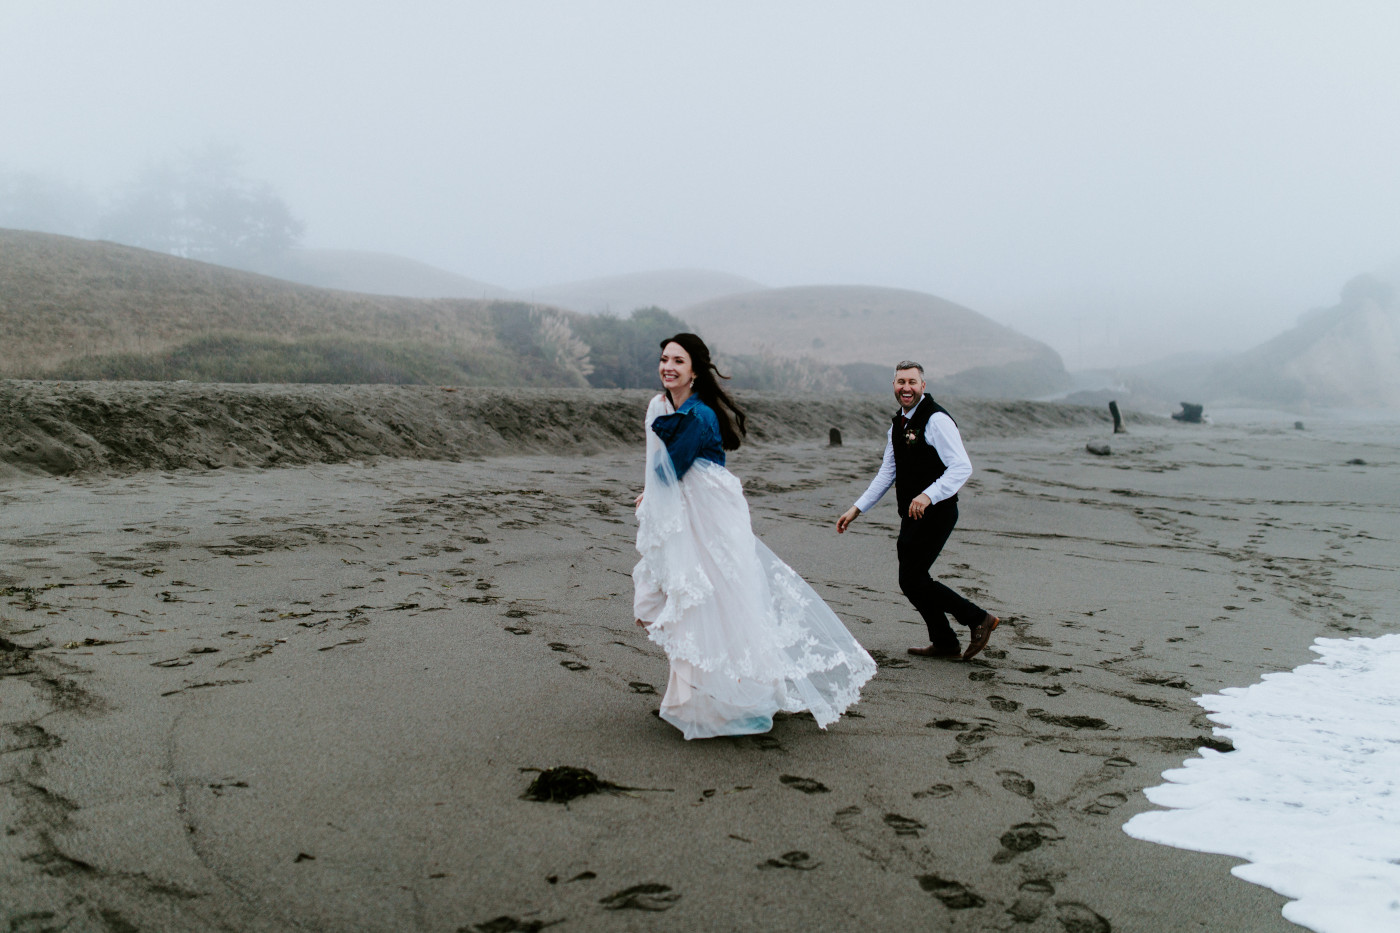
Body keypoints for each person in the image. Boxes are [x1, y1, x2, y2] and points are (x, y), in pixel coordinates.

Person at [632, 333, 877, 740]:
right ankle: (692, 695)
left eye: (678, 361)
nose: (668, 367)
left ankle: (718, 699)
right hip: (680, 512)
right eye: (663, 359)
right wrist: (651, 493)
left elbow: (669, 468)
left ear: (695, 371)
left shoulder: (701, 415)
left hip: (711, 515)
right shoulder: (658, 405)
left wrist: (652, 492)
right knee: (675, 598)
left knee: (714, 602)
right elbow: (656, 466)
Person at [836, 361, 999, 660]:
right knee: (912, 580)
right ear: (894, 386)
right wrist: (856, 508)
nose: (906, 388)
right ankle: (946, 642)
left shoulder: (937, 420)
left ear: (923, 386)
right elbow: (887, 473)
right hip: (912, 515)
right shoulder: (898, 424)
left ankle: (977, 619)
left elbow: (962, 467)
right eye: (900, 382)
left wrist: (928, 494)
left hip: (937, 512)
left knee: (912, 579)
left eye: (912, 382)